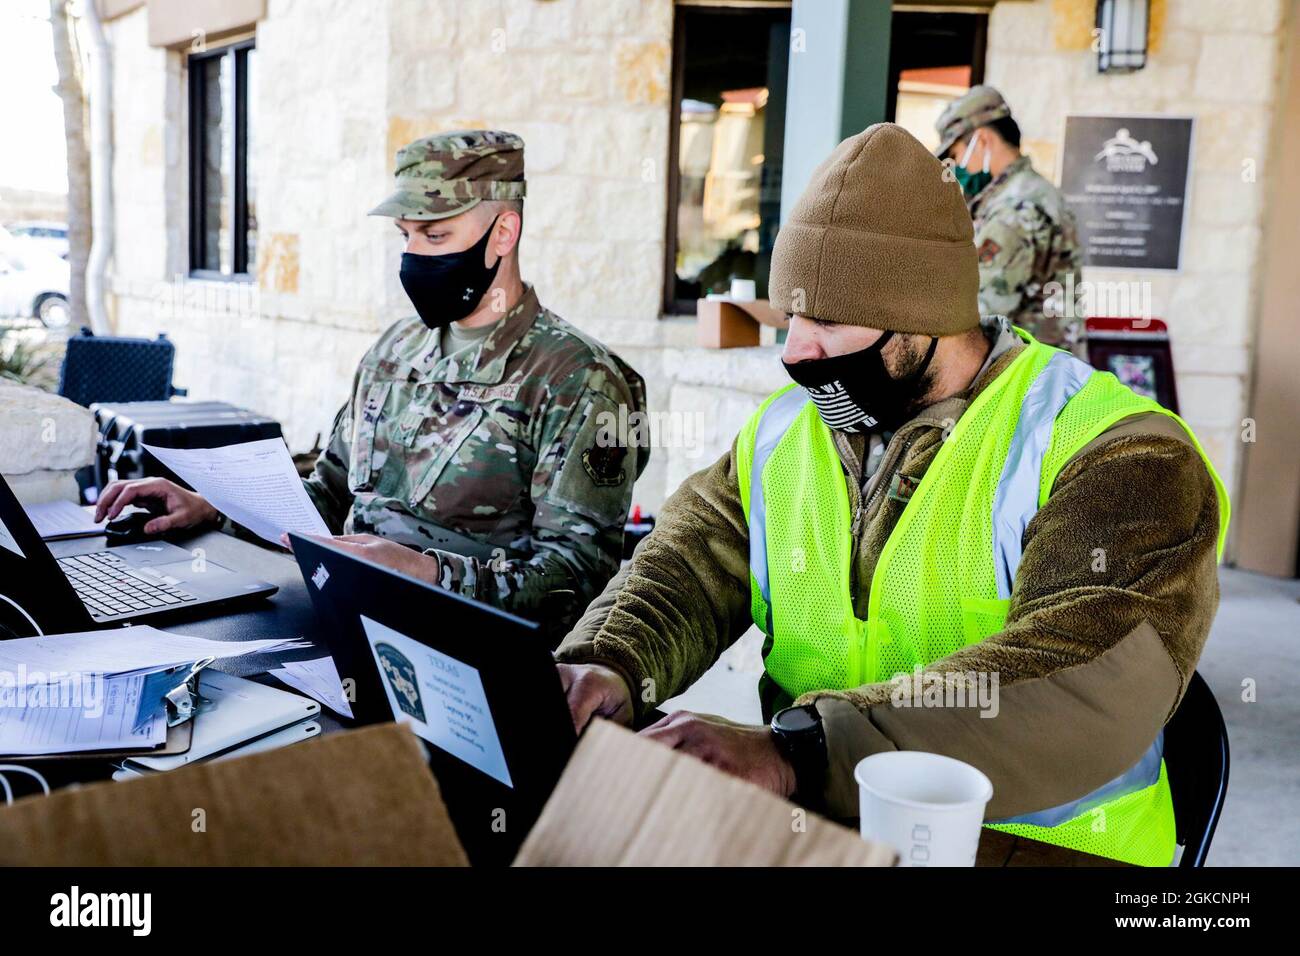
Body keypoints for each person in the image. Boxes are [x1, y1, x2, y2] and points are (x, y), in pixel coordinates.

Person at [556, 123, 1228, 867]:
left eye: (828, 321)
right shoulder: (790, 432)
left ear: (929, 314)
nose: (795, 352)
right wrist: (610, 661)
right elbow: (687, 558)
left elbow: (1084, 680)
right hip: (824, 831)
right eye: (790, 317)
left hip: (1032, 849)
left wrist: (799, 753)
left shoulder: (1121, 454)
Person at [95, 130, 648, 642]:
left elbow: (572, 583)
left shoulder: (578, 379)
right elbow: (327, 498)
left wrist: (424, 573)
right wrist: (212, 509)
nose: (414, 256)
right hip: (342, 621)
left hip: (467, 655)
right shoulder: (395, 350)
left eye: (436, 234)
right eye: (405, 236)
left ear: (503, 232)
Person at [935, 85, 1084, 352]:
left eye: (956, 155)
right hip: (1050, 368)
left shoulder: (1013, 210)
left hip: (1030, 379)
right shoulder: (1033, 192)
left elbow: (976, 314)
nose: (957, 167)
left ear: (982, 141)